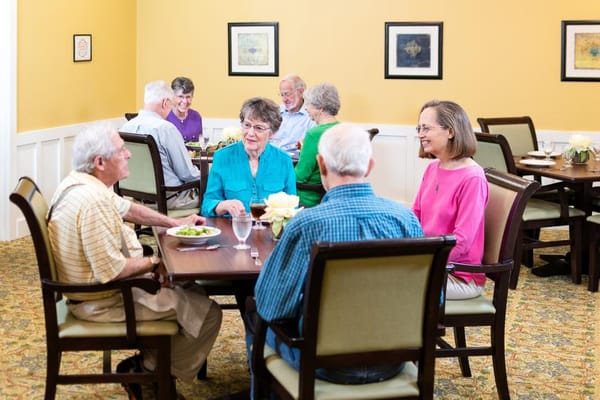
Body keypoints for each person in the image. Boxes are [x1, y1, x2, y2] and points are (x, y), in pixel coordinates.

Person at [46, 123, 222, 397]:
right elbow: (111, 271)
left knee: (192, 292)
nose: (129, 154)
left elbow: (129, 209)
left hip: (91, 293)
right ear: (100, 161)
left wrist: (174, 223)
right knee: (208, 314)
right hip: (103, 302)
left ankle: (151, 367)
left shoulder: (78, 183)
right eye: (121, 150)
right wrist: (154, 264)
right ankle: (149, 372)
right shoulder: (94, 202)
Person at [252, 123, 424, 385]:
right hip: (392, 361)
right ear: (369, 166)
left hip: (322, 365)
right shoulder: (405, 220)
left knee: (255, 314)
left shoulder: (306, 224)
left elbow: (272, 307)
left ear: (321, 165)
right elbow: (433, 302)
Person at [413, 99, 489, 300]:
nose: (420, 134)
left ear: (451, 131)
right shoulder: (432, 168)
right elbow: (416, 216)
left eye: (426, 128)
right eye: (419, 128)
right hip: (431, 262)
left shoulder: (472, 178)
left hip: (458, 275)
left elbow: (462, 241)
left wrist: (423, 260)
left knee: (390, 283)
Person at [201, 97, 296, 217]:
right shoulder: (222, 157)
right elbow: (206, 206)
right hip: (233, 231)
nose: (250, 133)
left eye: (259, 128)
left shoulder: (284, 161)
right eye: (247, 125)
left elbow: (292, 208)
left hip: (270, 232)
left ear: (272, 133)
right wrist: (222, 205)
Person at [121, 80, 201, 210]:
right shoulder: (166, 129)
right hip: (170, 200)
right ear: (165, 103)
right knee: (214, 195)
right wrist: (208, 175)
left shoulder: (125, 128)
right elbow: (187, 174)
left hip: (136, 200)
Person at [294, 82, 341, 207]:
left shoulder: (314, 134)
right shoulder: (342, 129)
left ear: (320, 107)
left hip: (308, 197)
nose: (306, 108)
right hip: (332, 195)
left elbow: (300, 176)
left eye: (308, 104)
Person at [270, 74, 315, 152]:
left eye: (287, 94)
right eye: (282, 95)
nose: (284, 99)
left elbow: (311, 147)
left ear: (301, 92)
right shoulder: (275, 111)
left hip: (293, 160)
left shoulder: (312, 116)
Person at [165, 76, 204, 143]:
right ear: (172, 96)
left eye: (188, 97)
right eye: (181, 96)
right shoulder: (165, 117)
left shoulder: (196, 116)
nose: (185, 101)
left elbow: (200, 144)